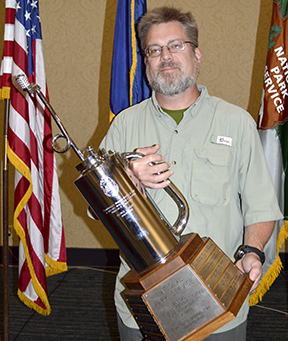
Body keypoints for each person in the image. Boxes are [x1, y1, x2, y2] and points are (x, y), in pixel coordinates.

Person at [99, 6, 283, 341]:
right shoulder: (125, 124)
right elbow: (96, 210)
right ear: (146, 61)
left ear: (196, 54)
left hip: (217, 301)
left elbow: (261, 206)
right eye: (154, 50)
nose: (165, 57)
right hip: (144, 303)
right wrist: (126, 176)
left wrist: (252, 252)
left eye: (176, 46)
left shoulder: (236, 122)